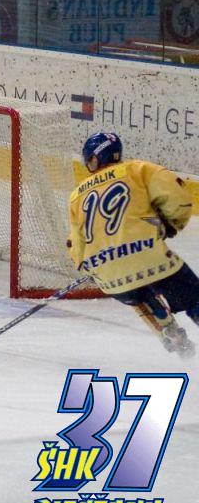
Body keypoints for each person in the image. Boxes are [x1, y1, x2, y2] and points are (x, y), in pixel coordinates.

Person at [67, 132, 198, 358]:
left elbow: (75, 246)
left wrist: (89, 266)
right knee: (193, 298)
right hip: (150, 258)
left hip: (108, 275)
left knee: (132, 290)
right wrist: (170, 224)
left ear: (95, 159)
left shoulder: (76, 196)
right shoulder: (138, 170)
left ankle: (169, 332)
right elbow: (179, 199)